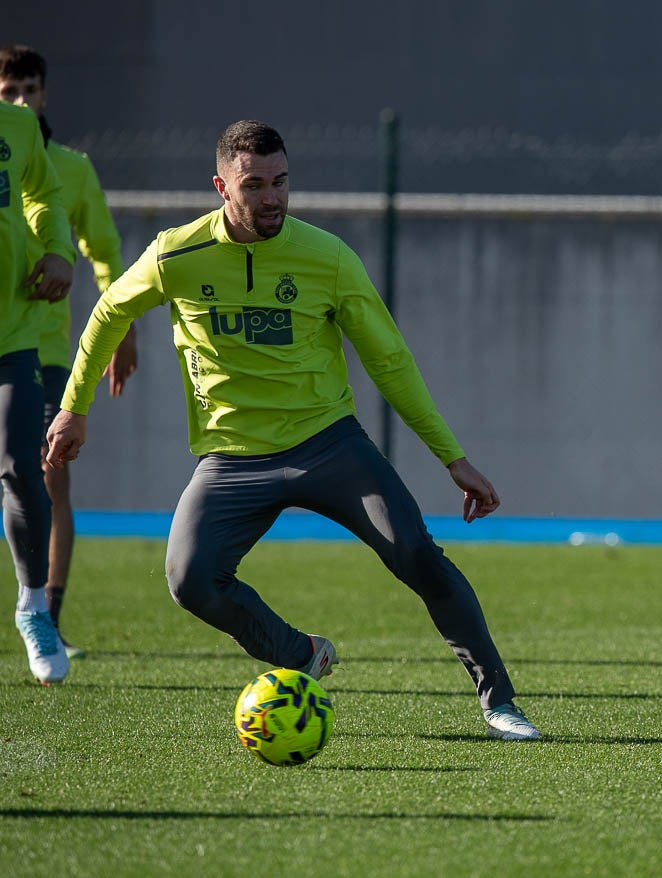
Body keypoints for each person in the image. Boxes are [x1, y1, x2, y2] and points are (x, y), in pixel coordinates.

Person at [47, 121, 540, 739]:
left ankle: (500, 702)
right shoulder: (177, 254)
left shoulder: (328, 257)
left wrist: (452, 459)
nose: (273, 197)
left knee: (417, 553)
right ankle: (302, 655)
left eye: (281, 182)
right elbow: (109, 310)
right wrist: (75, 407)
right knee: (190, 580)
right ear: (222, 186)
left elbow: (390, 362)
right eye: (254, 185)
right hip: (231, 459)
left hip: (329, 444)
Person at [1, 45, 138, 661]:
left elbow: (104, 249)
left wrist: (123, 323)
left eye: (30, 88)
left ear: (45, 93)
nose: (22, 100)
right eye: (11, 91)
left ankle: (47, 612)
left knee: (47, 473)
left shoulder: (69, 169)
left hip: (44, 343)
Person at [0, 98, 74, 685]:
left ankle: (34, 605)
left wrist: (55, 248)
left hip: (12, 328)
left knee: (24, 465)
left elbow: (44, 194)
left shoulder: (19, 124)